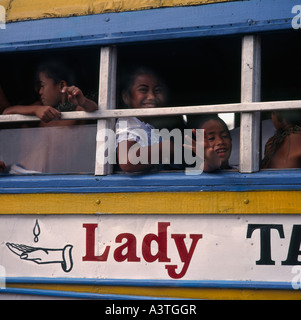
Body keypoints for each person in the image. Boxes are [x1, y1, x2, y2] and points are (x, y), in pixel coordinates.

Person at [116, 66, 176, 172]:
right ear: (126, 97)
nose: (152, 96)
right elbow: (128, 161)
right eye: (143, 90)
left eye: (157, 90)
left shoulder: (151, 125)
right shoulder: (128, 121)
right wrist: (167, 148)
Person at [2, 60, 98, 125]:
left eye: (42, 86)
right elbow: (7, 112)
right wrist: (36, 110)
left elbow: (94, 109)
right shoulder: (40, 107)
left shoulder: (77, 109)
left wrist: (83, 102)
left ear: (61, 86)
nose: (40, 92)